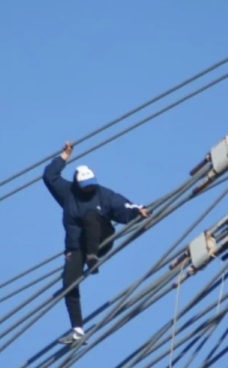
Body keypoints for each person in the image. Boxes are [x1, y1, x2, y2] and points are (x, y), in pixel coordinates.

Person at [43, 141, 149, 344]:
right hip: (79, 247)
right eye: (85, 186)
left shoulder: (103, 194)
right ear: (77, 185)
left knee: (91, 216)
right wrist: (64, 156)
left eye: (91, 183)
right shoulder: (68, 193)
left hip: (102, 239)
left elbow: (123, 205)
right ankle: (77, 330)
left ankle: (93, 259)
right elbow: (49, 176)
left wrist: (138, 210)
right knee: (68, 283)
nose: (89, 188)